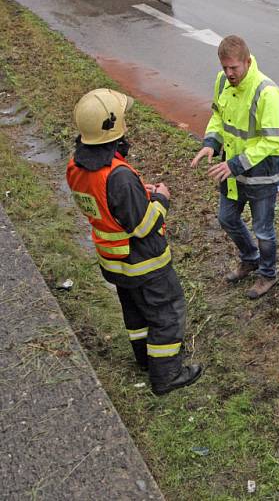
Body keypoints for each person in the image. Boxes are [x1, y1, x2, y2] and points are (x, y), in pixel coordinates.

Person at [66, 88, 202, 395]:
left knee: (137, 315)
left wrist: (141, 192)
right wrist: (161, 199)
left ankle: (145, 359)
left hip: (114, 262)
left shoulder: (77, 167)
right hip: (144, 263)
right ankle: (167, 376)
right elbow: (144, 225)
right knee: (167, 313)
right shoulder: (119, 177)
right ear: (112, 127)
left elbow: (107, 206)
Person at [191, 35, 279, 299]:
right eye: (224, 67)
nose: (228, 73)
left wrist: (235, 164)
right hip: (232, 171)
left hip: (262, 175)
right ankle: (250, 258)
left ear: (247, 61)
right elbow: (219, 117)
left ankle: (268, 275)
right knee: (227, 218)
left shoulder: (268, 93)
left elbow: (272, 141)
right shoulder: (222, 82)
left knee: (263, 231)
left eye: (234, 67)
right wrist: (211, 142)